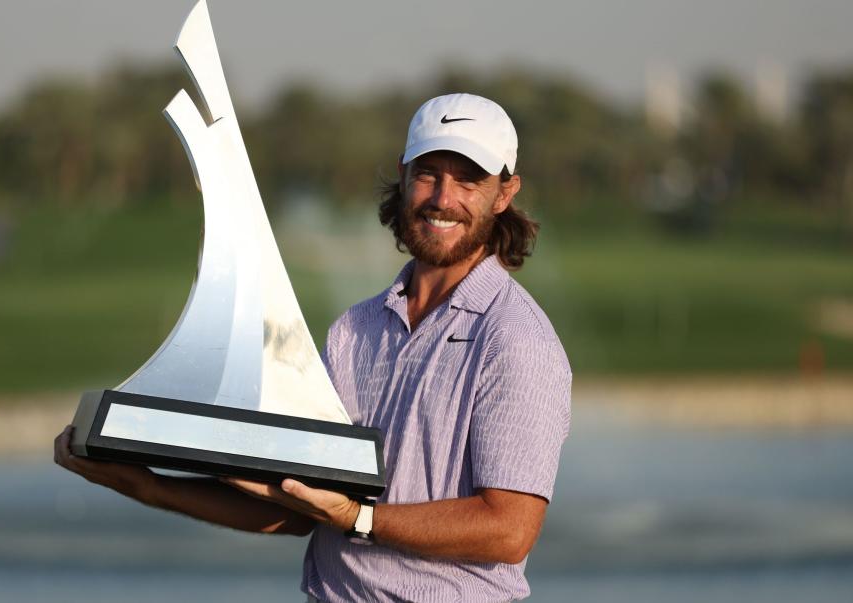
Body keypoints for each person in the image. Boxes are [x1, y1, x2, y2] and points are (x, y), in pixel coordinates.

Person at [54, 92, 571, 602]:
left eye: (468, 179)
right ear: (405, 174)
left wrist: (356, 518)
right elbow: (300, 507)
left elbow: (508, 530)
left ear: (504, 194)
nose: (442, 197)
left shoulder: (515, 339)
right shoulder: (355, 329)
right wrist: (149, 486)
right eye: (429, 173)